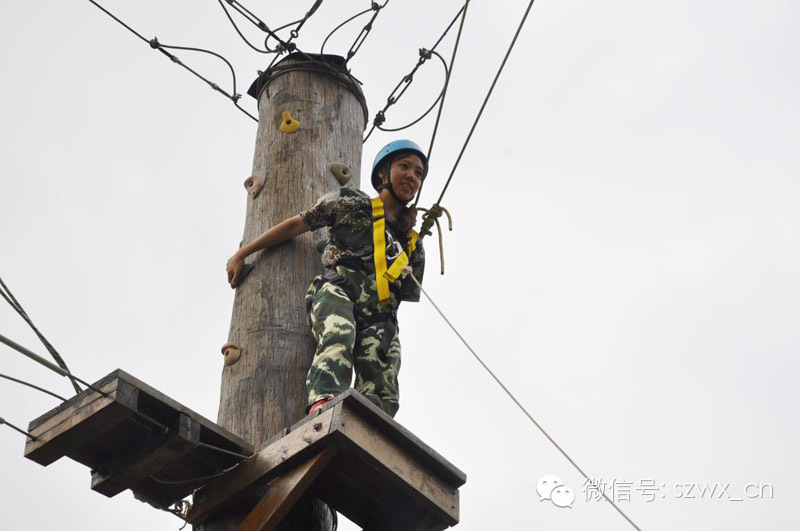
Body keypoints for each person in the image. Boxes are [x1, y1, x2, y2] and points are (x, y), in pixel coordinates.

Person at [226, 140, 427, 418]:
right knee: (338, 336)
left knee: (384, 368)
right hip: (340, 288)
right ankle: (323, 405)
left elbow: (401, 295)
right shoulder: (350, 202)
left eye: (418, 173)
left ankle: (373, 425)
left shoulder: (411, 244)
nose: (412, 177)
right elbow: (298, 224)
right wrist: (243, 252)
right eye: (404, 166)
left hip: (380, 313)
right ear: (383, 173)